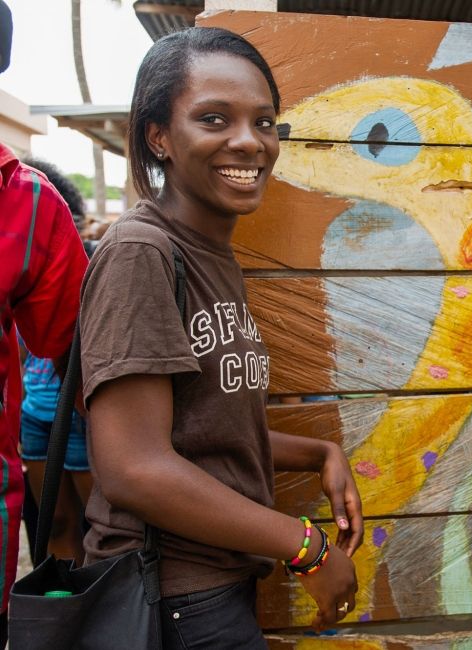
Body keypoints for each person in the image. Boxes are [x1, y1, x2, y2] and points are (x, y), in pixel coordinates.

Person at [78, 27, 361, 648]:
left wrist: (318, 454)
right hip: (170, 596)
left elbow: (203, 426)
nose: (249, 142)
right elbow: (133, 466)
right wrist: (306, 547)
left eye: (264, 122)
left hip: (212, 588)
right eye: (214, 118)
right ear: (159, 137)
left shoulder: (209, 255)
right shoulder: (140, 252)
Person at [18, 157, 92, 565]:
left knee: (100, 525)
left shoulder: (89, 265)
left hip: (81, 413)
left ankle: (102, 616)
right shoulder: (23, 270)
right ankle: (64, 614)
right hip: (36, 415)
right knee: (55, 521)